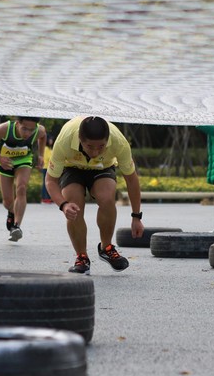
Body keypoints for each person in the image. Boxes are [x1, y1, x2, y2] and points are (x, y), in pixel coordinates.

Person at [44, 116, 142, 275]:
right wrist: (63, 205)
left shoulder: (119, 141)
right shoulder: (65, 140)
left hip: (103, 168)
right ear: (79, 139)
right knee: (74, 205)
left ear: (108, 139)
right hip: (72, 168)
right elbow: (50, 180)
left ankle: (106, 248)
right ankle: (82, 257)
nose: (95, 152)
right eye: (90, 146)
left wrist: (136, 217)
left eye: (101, 146)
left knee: (107, 198)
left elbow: (132, 180)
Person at [0, 117, 47, 242]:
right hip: (5, 162)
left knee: (21, 188)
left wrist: (41, 155)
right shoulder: (4, 129)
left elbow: (43, 136)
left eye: (31, 130)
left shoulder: (39, 130)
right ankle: (12, 212)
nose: (27, 133)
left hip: (24, 161)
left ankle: (16, 227)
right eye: (24, 129)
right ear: (17, 124)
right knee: (7, 201)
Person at [41, 134, 54, 203]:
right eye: (50, 140)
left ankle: (48, 197)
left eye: (52, 140)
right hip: (46, 167)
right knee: (45, 183)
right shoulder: (45, 148)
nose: (51, 141)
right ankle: (45, 198)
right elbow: (48, 158)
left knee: (49, 183)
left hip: (50, 168)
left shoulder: (50, 148)